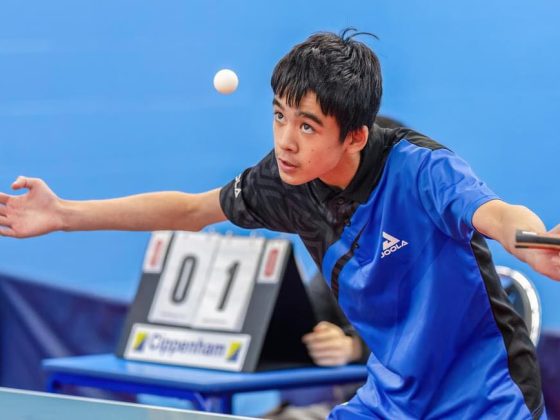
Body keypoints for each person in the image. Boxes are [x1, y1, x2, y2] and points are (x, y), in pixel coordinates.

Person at [0, 29, 557, 419]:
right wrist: (64, 215)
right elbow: (190, 212)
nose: (285, 141)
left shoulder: (420, 170)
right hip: (392, 400)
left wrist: (531, 246)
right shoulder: (282, 184)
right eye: (278, 115)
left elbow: (499, 215)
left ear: (355, 136)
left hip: (485, 399)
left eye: (308, 126)